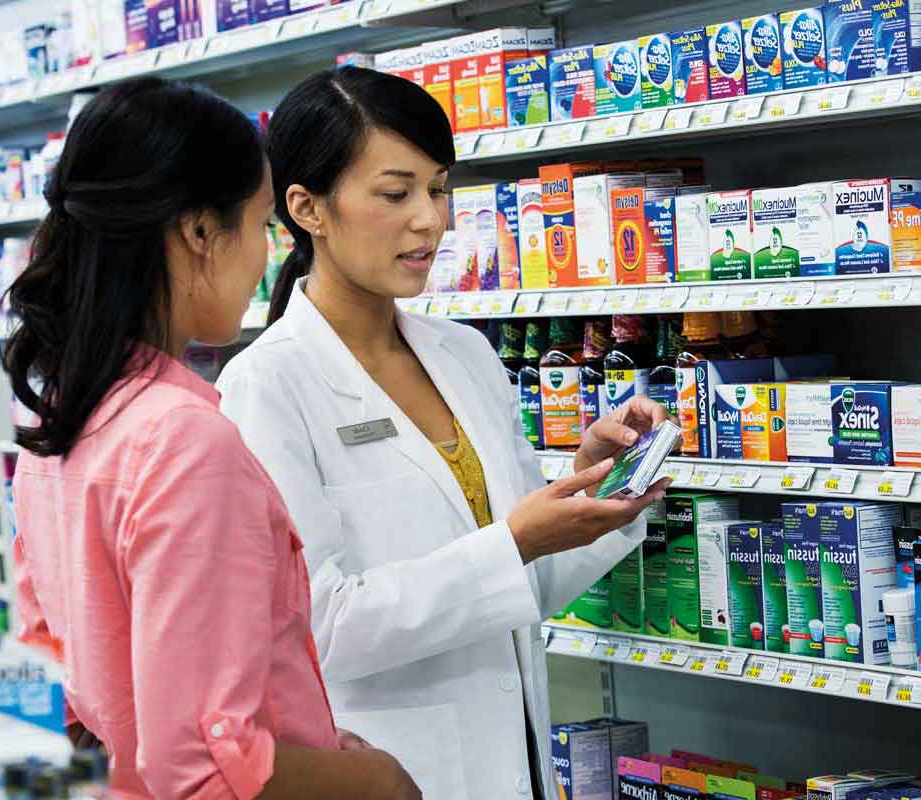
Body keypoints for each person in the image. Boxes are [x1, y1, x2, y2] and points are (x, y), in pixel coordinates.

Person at [217, 67, 674, 799]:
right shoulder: (265, 386)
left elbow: (526, 582)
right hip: (388, 770)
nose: (430, 220)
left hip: (514, 762)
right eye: (396, 194)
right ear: (307, 208)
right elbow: (319, 626)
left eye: (438, 188)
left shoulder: (463, 352)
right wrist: (517, 540)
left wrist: (591, 491)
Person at [2, 77, 420, 800]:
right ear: (199, 231)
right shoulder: (183, 442)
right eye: (261, 224)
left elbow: (68, 677)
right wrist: (374, 783)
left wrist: (307, 749)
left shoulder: (64, 418)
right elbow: (202, 770)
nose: (267, 258)